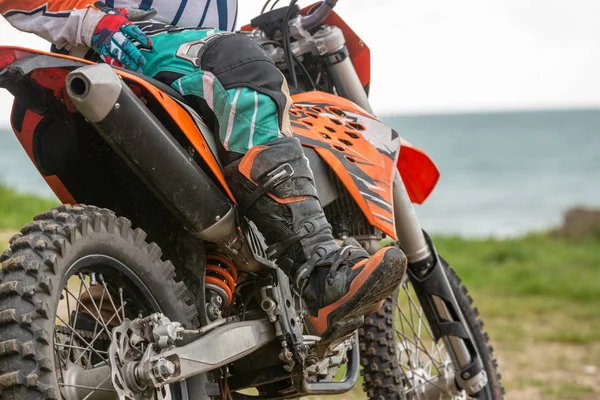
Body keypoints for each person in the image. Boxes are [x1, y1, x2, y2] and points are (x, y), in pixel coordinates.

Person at [0, 0, 406, 340]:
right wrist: (91, 21)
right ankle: (318, 270)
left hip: (152, 64)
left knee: (159, 275)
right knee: (242, 69)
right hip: (127, 45)